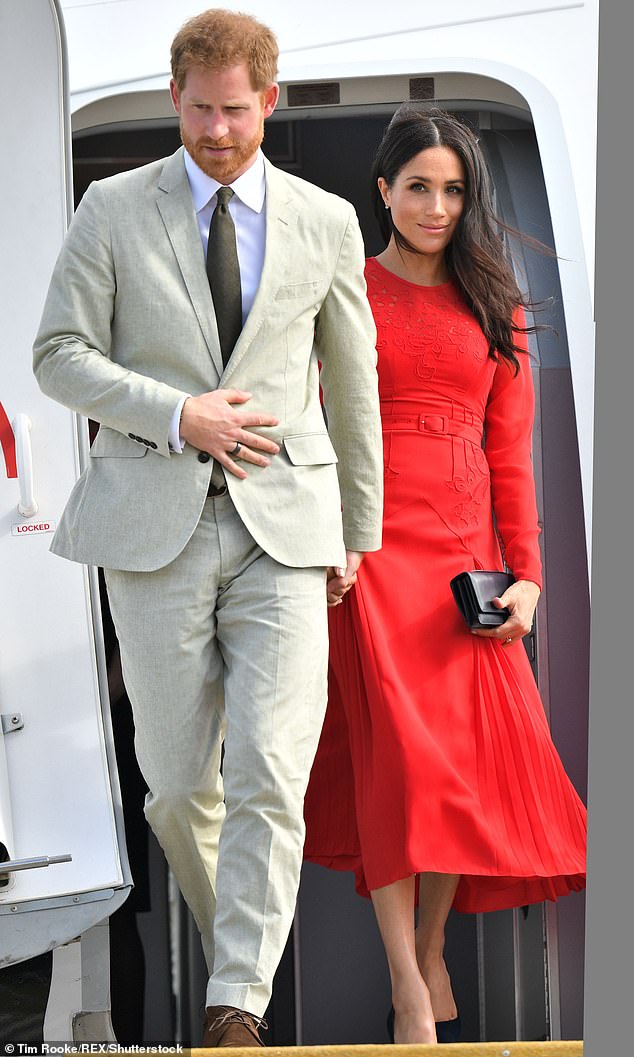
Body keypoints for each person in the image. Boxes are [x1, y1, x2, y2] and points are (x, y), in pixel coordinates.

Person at [32, 8, 383, 1048]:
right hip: (155, 528)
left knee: (275, 771)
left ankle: (237, 1004)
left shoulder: (323, 218)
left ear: (267, 102)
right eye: (197, 112)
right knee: (182, 788)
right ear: (174, 98)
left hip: (288, 529)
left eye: (234, 112)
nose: (217, 132)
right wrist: (174, 412)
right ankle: (241, 932)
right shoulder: (112, 206)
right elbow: (58, 353)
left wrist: (356, 528)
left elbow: (353, 384)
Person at [303, 105, 587, 1045]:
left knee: (453, 776)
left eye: (454, 189)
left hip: (464, 567)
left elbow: (513, 457)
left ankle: (427, 949)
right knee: (399, 774)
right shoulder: (341, 291)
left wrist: (530, 579)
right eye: (418, 186)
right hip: (370, 553)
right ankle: (408, 983)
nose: (436, 205)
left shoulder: (492, 304)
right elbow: (309, 428)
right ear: (381, 189)